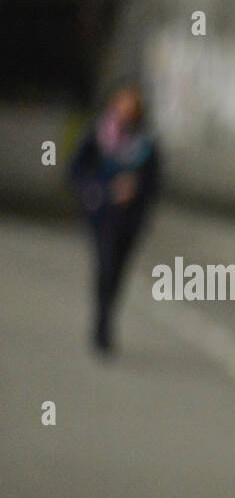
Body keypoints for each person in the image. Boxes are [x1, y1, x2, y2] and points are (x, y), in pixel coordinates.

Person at [68, 81, 162, 355]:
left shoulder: (146, 144)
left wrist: (134, 191)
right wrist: (100, 190)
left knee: (118, 273)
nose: (126, 111)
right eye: (123, 103)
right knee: (105, 267)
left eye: (132, 106)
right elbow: (76, 171)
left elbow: (154, 184)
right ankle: (102, 325)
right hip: (103, 218)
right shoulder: (98, 136)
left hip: (129, 223)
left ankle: (107, 319)